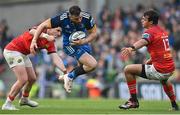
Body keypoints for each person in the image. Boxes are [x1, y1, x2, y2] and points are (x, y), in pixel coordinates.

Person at [119, 9, 179, 111]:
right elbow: (162, 50)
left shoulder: (150, 32)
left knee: (128, 69)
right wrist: (151, 59)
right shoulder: (162, 31)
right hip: (169, 68)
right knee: (164, 80)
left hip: (159, 69)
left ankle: (133, 101)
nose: (142, 20)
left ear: (150, 22)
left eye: (144, 19)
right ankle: (174, 105)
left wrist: (131, 48)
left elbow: (143, 41)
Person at [30, 5, 97, 93]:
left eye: (80, 17)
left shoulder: (87, 18)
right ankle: (69, 76)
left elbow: (94, 33)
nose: (79, 20)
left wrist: (84, 41)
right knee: (93, 64)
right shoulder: (61, 19)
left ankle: (69, 76)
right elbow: (42, 25)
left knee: (85, 67)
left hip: (83, 43)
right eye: (76, 19)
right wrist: (34, 40)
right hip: (69, 45)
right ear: (70, 16)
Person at [2, 27, 67, 110]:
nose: (59, 34)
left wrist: (65, 71)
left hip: (23, 54)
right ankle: (7, 103)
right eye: (57, 30)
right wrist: (46, 36)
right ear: (50, 28)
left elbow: (55, 57)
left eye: (60, 32)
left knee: (32, 78)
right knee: (23, 79)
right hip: (12, 51)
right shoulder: (42, 29)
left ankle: (24, 99)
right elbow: (32, 31)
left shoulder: (51, 42)